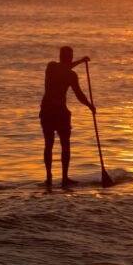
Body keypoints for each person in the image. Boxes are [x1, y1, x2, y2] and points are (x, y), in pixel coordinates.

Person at [40, 46, 96, 187]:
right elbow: (65, 71)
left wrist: (90, 105)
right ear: (68, 57)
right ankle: (52, 177)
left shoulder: (67, 73)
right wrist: (82, 61)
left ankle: (60, 177)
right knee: (53, 144)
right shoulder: (53, 67)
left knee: (59, 144)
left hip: (55, 111)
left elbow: (79, 94)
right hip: (51, 111)